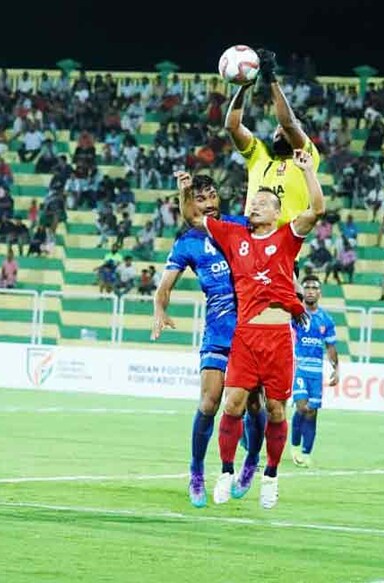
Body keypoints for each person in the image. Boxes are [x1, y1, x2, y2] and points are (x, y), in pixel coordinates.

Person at [176, 147, 325, 510]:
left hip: (277, 339)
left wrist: (307, 171)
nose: (254, 206)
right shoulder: (232, 236)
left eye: (262, 202)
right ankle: (225, 470)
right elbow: (195, 218)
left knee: (275, 410)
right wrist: (183, 192)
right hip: (244, 335)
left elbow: (317, 210)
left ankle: (270, 475)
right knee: (232, 403)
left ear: (277, 212)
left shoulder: (288, 237)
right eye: (252, 201)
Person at [151, 174, 267, 507]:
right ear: (191, 204)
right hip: (218, 332)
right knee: (209, 403)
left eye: (213, 196)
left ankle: (250, 462)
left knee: (255, 404)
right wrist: (160, 309)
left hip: (251, 331)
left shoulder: (237, 226)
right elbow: (164, 288)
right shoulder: (187, 242)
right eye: (201, 198)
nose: (210, 203)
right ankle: (197, 473)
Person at [225, 49, 319, 226]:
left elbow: (288, 123)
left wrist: (272, 79)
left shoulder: (306, 158)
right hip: (249, 245)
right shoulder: (259, 157)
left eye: (283, 129)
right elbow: (232, 126)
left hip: (283, 248)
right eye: (277, 129)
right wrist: (245, 87)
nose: (279, 129)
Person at [289, 275, 339, 467]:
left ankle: (306, 452)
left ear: (320, 292)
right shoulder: (295, 314)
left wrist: (336, 368)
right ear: (302, 291)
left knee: (312, 412)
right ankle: (294, 447)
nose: (310, 290)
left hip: (316, 371)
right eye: (307, 287)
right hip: (299, 367)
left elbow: (331, 346)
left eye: (314, 288)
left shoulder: (326, 319)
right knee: (302, 407)